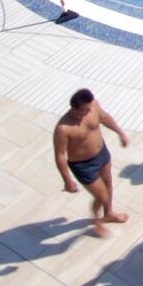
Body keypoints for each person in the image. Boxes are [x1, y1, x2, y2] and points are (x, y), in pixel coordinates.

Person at [53, 88, 129, 237]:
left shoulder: (93, 105)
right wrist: (67, 180)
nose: (88, 111)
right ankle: (96, 222)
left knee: (108, 185)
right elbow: (60, 155)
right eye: (84, 110)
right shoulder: (63, 128)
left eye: (89, 108)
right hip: (83, 166)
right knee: (101, 197)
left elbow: (104, 117)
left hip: (101, 154)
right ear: (74, 109)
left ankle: (109, 213)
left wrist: (120, 133)